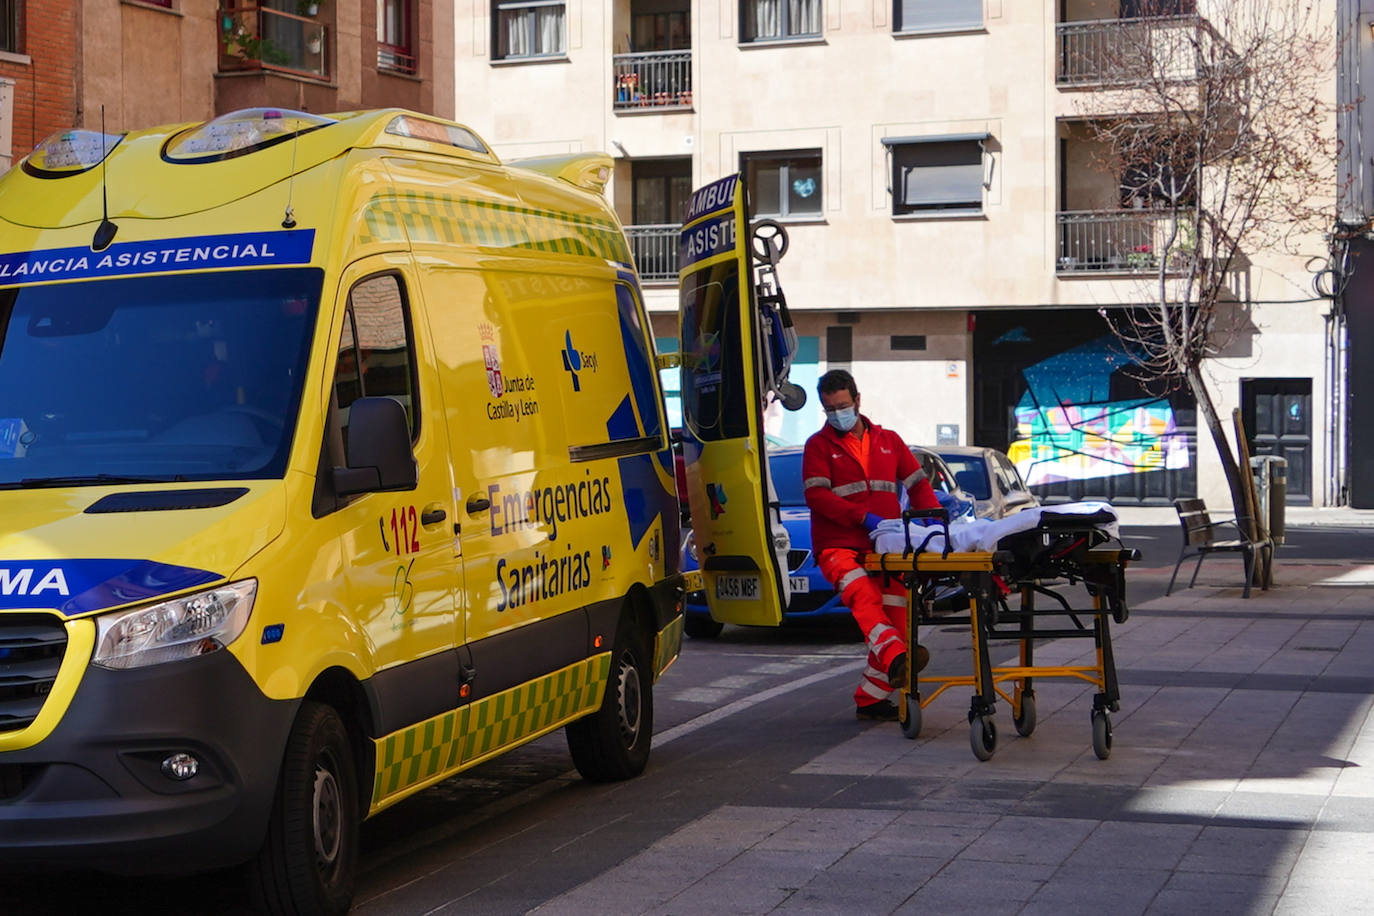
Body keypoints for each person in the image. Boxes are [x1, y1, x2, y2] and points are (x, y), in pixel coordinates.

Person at [802, 369, 943, 721]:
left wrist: (935, 521)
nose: (838, 414)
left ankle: (871, 697)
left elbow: (918, 484)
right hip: (838, 544)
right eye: (830, 409)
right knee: (861, 595)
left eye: (843, 406)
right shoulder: (818, 446)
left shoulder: (889, 441)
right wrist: (860, 517)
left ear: (858, 400)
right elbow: (816, 495)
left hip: (886, 545)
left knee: (898, 615)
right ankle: (894, 653)